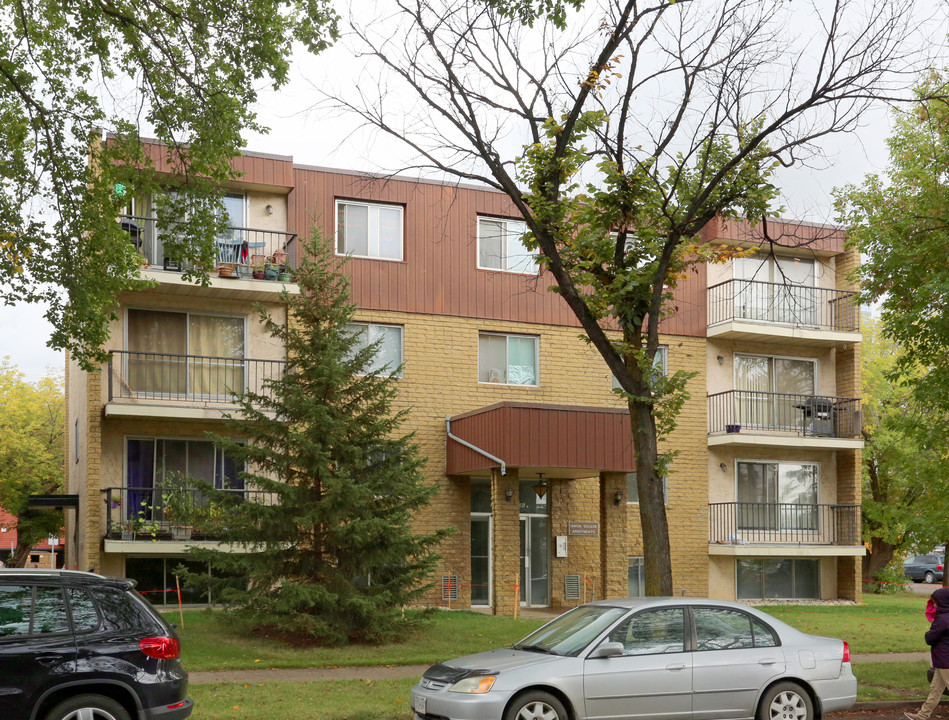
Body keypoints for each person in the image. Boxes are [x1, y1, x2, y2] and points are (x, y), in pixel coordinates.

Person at [905, 587, 949, 720]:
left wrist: (927, 634)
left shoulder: (942, 620)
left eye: (935, 602)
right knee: (935, 690)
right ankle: (922, 715)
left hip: (944, 660)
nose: (933, 605)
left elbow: (930, 638)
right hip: (943, 659)